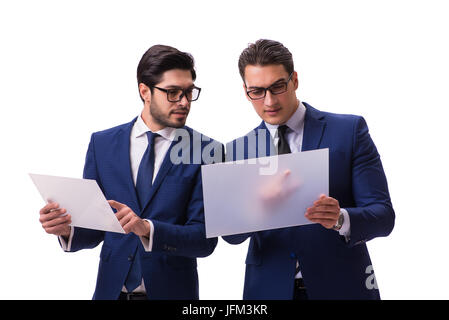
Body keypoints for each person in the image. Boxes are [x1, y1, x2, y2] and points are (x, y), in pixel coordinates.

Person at [38, 45, 220, 300]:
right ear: (144, 91)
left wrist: (147, 229)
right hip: (111, 294)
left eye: (189, 92)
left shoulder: (207, 151)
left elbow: (204, 240)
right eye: (173, 92)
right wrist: (66, 228)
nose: (184, 102)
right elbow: (95, 227)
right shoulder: (102, 144)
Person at [223, 39, 395, 300]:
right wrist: (257, 208)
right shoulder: (237, 151)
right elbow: (230, 236)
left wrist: (340, 219)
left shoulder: (349, 132)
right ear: (245, 91)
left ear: (294, 80)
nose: (268, 101)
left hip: (342, 285)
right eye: (256, 91)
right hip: (268, 289)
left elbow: (383, 216)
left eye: (277, 86)